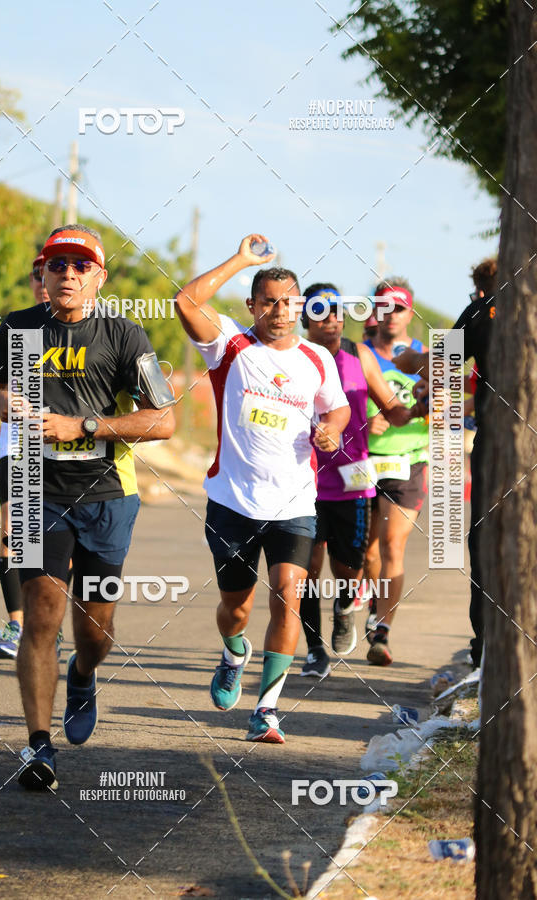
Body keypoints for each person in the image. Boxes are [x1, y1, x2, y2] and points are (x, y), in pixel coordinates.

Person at [0, 224, 175, 790]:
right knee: (41, 613)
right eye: (58, 264)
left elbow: (164, 418)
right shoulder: (20, 328)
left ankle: (83, 675)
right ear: (45, 273)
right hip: (37, 486)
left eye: (81, 266)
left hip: (107, 493)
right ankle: (38, 746)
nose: (68, 274)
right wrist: (0, 402)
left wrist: (84, 425)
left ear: (99, 277)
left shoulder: (124, 334)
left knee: (94, 626)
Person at [174, 235, 350, 743]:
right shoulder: (229, 343)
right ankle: (233, 652)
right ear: (252, 305)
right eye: (268, 301)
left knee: (288, 598)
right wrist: (242, 259)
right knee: (238, 607)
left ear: (300, 306)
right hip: (233, 500)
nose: (279, 310)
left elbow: (334, 407)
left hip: (295, 500)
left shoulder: (317, 358)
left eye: (288, 301)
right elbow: (184, 302)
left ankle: (267, 709)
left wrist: (333, 428)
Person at [297, 284, 424, 677]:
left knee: (350, 570)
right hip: (301, 481)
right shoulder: (292, 358)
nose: (332, 318)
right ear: (305, 319)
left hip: (351, 482)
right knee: (305, 571)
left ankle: (346, 603)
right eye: (321, 311)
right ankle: (315, 649)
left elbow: (397, 412)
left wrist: (421, 406)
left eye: (338, 310)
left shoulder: (360, 355)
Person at [394, 258, 497, 668]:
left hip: (498, 450)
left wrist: (407, 359)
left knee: (485, 544)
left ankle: (486, 649)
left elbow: (440, 366)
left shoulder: (483, 310)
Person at [362, 279, 429, 666]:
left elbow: (448, 411)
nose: (391, 315)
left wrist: (428, 409)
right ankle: (373, 603)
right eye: (384, 307)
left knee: (393, 544)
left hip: (409, 461)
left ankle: (383, 631)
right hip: (363, 461)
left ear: (410, 313)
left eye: (399, 308)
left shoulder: (424, 357)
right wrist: (365, 425)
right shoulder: (358, 355)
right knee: (367, 550)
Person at [0, 254, 53, 659]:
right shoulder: (19, 326)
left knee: (52, 545)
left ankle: (49, 622)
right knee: (14, 533)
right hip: (17, 446)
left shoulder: (86, 329)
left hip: (67, 452)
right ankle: (17, 625)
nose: (45, 279)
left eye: (59, 269)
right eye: (38, 272)